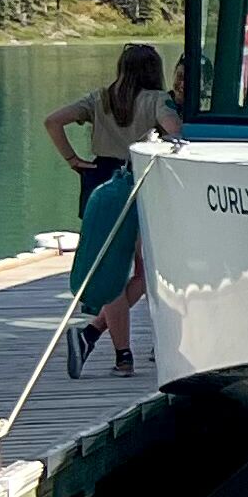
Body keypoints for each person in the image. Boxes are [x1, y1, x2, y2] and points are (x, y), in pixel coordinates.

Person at [44, 42, 181, 377]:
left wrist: (74, 161)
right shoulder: (155, 100)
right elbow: (176, 132)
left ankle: (98, 339)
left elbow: (53, 121)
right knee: (141, 272)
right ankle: (115, 350)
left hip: (99, 183)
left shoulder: (98, 98)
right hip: (137, 182)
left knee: (114, 271)